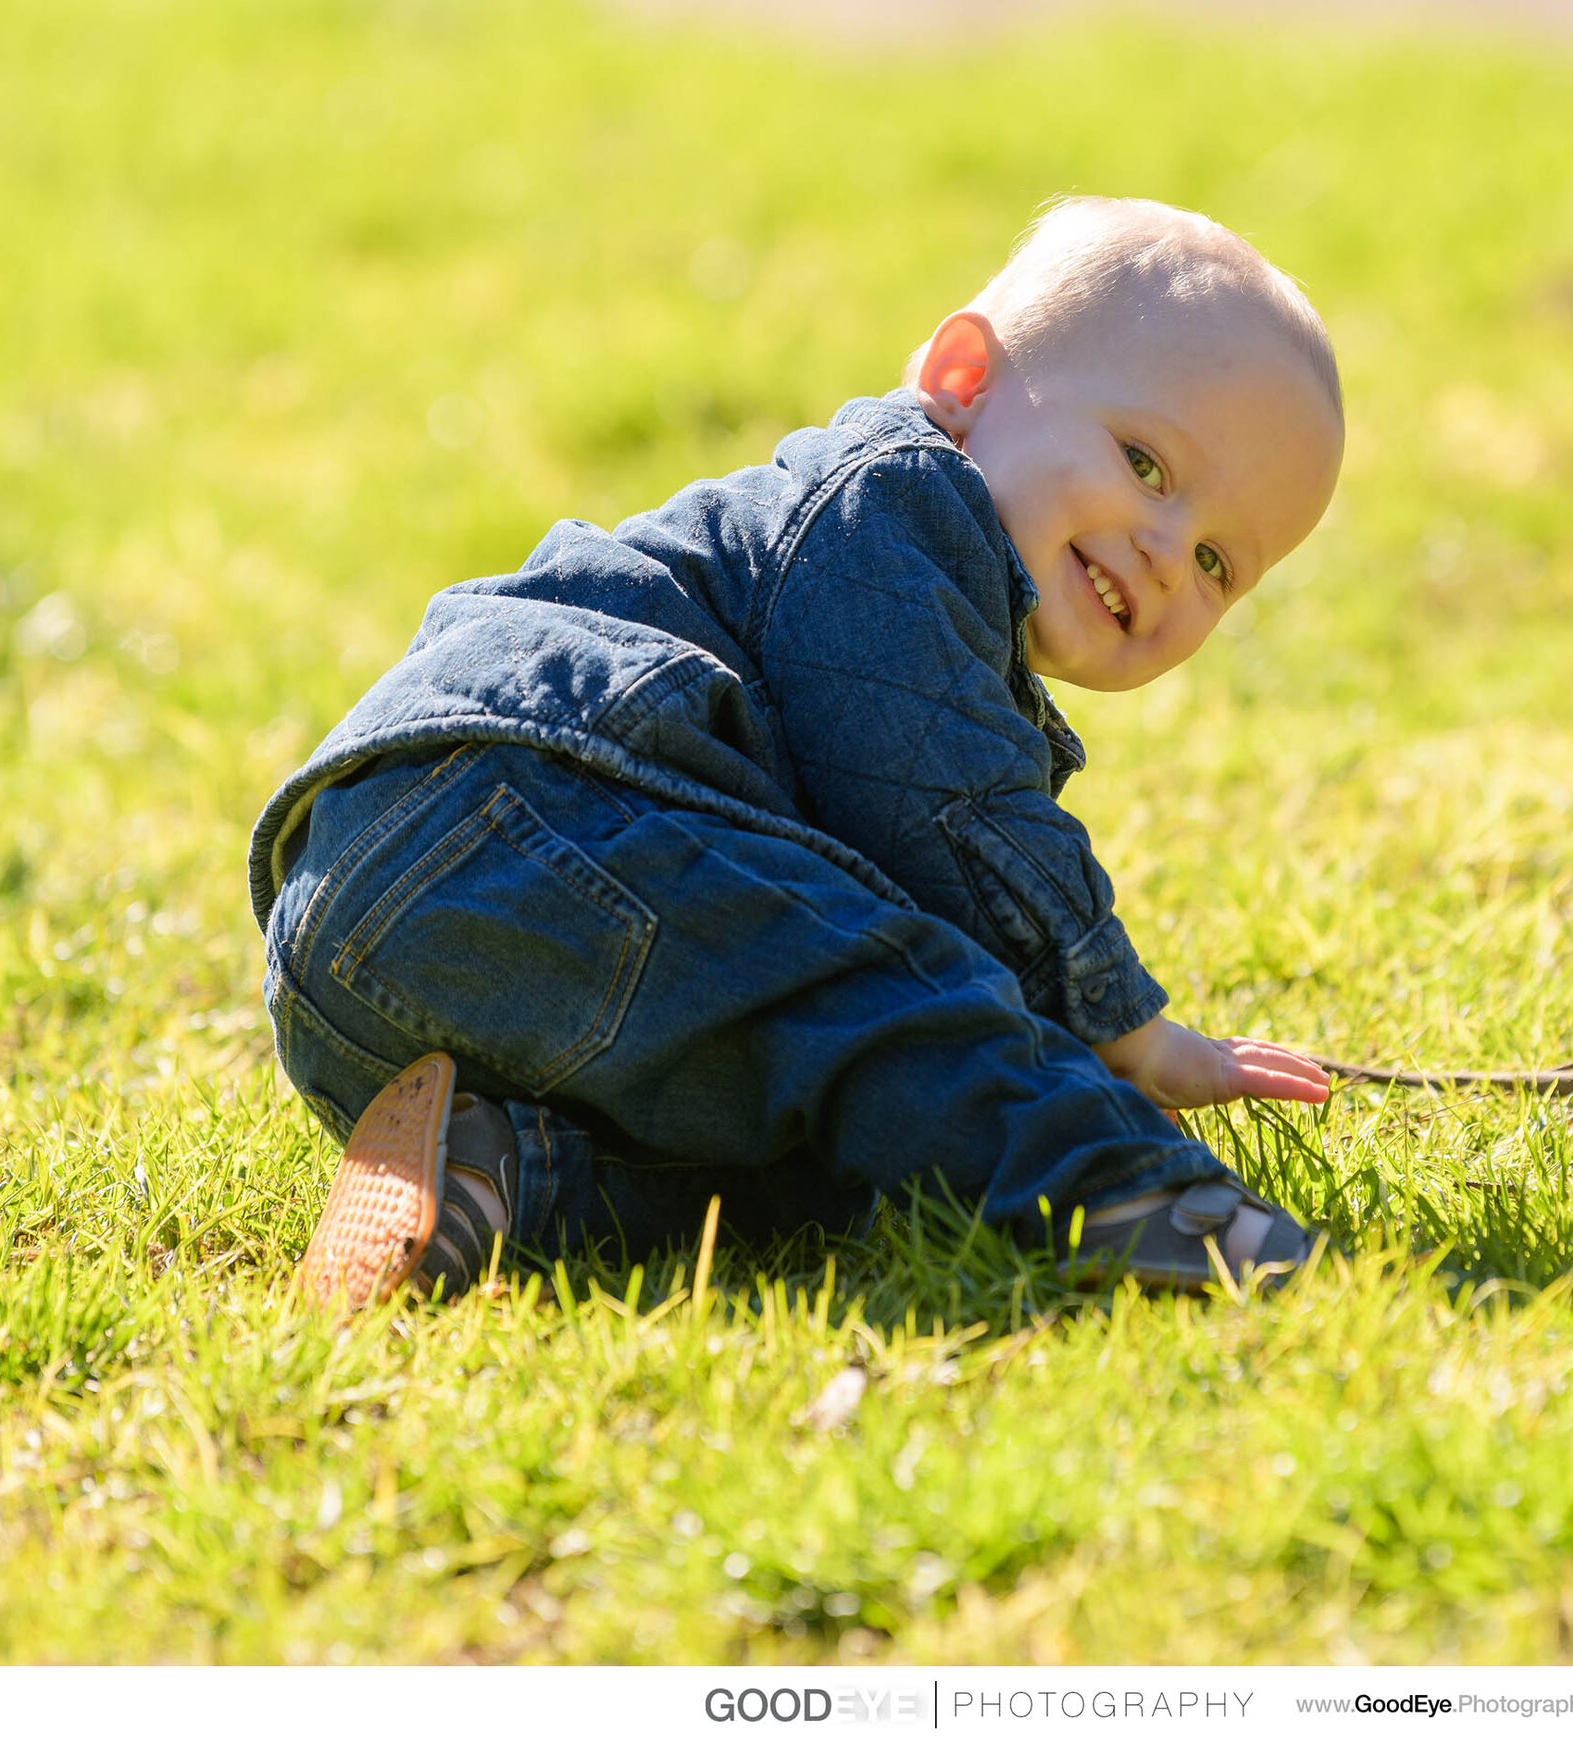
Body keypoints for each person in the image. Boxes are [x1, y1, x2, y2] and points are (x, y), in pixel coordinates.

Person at [251, 196, 1345, 1308]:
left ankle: (496, 1176)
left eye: (1217, 561)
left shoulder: (944, 595)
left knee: (838, 1137)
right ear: (965, 382)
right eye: (1147, 465)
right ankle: (1129, 1193)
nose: (1166, 552)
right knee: (879, 1000)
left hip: (371, 978)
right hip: (504, 813)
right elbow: (952, 814)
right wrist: (1118, 1024)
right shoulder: (897, 510)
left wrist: (1053, 1039)